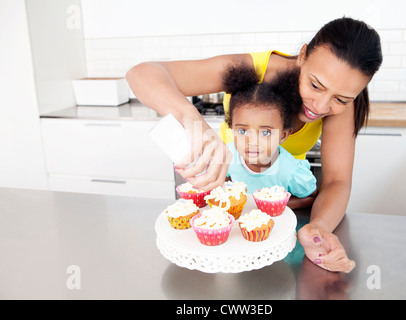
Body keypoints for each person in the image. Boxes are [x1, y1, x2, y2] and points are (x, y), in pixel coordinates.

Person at [126, 17, 383, 273]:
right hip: (221, 207)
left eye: (341, 99)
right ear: (303, 55)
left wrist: (319, 227)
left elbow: (337, 182)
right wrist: (192, 119)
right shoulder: (255, 69)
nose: (321, 106)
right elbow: (141, 73)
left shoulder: (341, 108)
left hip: (279, 220)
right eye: (315, 85)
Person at [222, 62, 317, 208]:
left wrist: (275, 205)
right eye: (242, 131)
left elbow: (311, 196)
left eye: (265, 133)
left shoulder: (290, 171)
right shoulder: (227, 156)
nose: (252, 142)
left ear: (283, 135)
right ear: (232, 129)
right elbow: (226, 178)